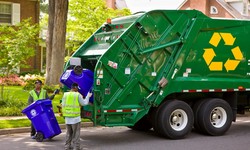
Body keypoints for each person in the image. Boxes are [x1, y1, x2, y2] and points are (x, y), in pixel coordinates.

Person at [61, 83, 92, 150]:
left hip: (67, 118)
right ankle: (76, 147)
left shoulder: (65, 95)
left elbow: (62, 104)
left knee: (68, 133)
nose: (78, 90)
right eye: (77, 88)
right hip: (75, 118)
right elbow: (84, 103)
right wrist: (88, 96)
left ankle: (67, 146)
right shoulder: (77, 95)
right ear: (76, 88)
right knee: (76, 134)